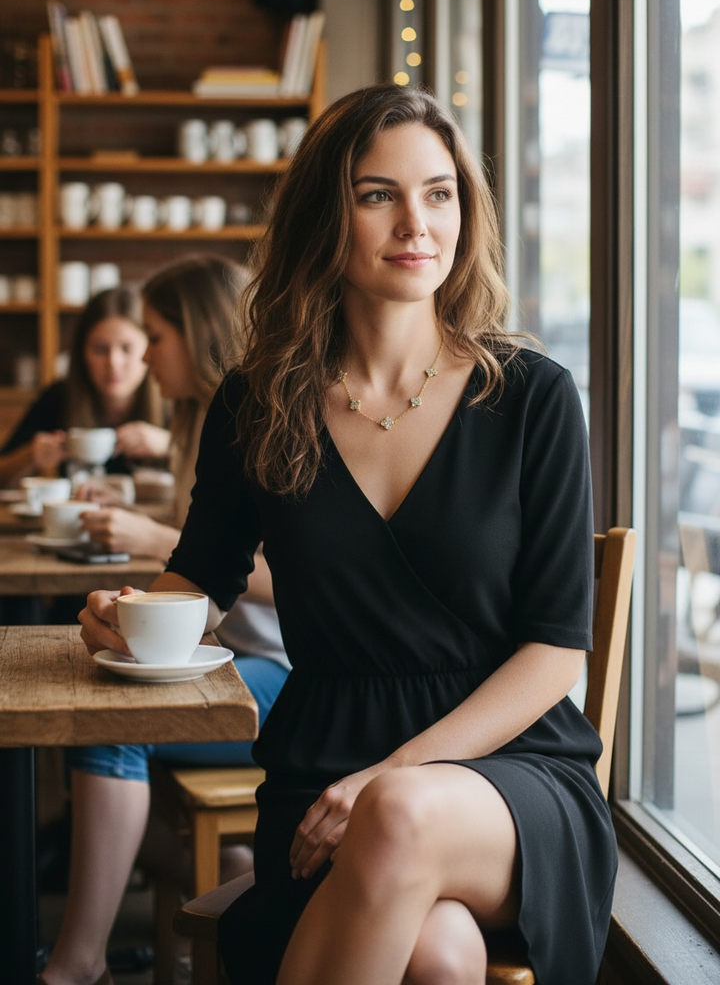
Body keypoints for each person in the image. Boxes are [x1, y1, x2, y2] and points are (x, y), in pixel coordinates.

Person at [77, 85, 615, 985]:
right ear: (328, 215)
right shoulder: (258, 400)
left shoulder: (533, 397)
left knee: (399, 815)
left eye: (439, 193)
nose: (417, 223)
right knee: (440, 957)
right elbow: (199, 578)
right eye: (379, 195)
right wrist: (128, 617)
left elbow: (556, 655)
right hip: (320, 765)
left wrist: (389, 776)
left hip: (511, 770)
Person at [39, 255, 289, 985]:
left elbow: (292, 576)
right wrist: (134, 612)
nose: (144, 357)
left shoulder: (264, 423)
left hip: (277, 674)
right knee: (97, 726)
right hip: (224, 659)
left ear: (202, 334)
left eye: (155, 337)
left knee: (110, 730)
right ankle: (230, 872)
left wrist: (151, 546)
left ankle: (78, 960)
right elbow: (201, 565)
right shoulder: (198, 422)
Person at [0, 284, 168, 488]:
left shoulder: (171, 398)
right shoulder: (58, 398)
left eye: (126, 348)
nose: (113, 363)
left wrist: (168, 445)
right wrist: (29, 456)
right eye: (100, 349)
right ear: (82, 353)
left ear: (148, 350)